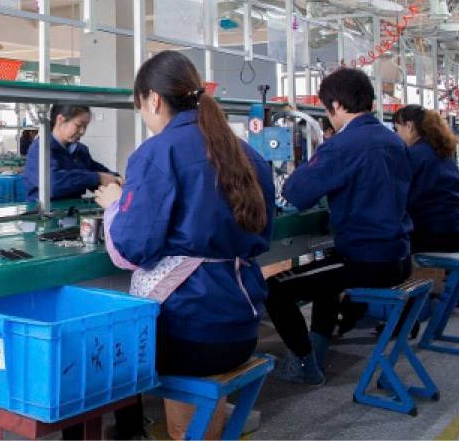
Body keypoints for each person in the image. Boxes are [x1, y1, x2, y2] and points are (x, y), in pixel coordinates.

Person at [91, 51, 275, 440]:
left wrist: (115, 207)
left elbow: (131, 249)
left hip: (189, 333)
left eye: (141, 108)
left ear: (153, 99)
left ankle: (136, 431)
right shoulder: (248, 154)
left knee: (98, 348)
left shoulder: (158, 152)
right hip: (242, 326)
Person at [265, 67, 412, 385]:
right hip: (399, 256)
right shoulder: (393, 140)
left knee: (274, 290)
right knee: (326, 274)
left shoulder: (343, 145)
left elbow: (295, 192)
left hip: (368, 259)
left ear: (335, 105)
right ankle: (316, 352)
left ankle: (304, 366)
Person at [392, 106, 459, 253]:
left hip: (434, 233)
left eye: (397, 129)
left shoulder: (412, 155)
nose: (396, 135)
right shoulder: (442, 153)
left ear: (409, 126)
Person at [23, 105, 119, 202]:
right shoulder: (40, 149)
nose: (82, 131)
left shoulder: (80, 150)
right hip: (45, 210)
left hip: (73, 209)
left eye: (85, 126)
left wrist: (115, 179)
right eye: (78, 125)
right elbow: (53, 184)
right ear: (60, 120)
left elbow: (94, 170)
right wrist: (97, 178)